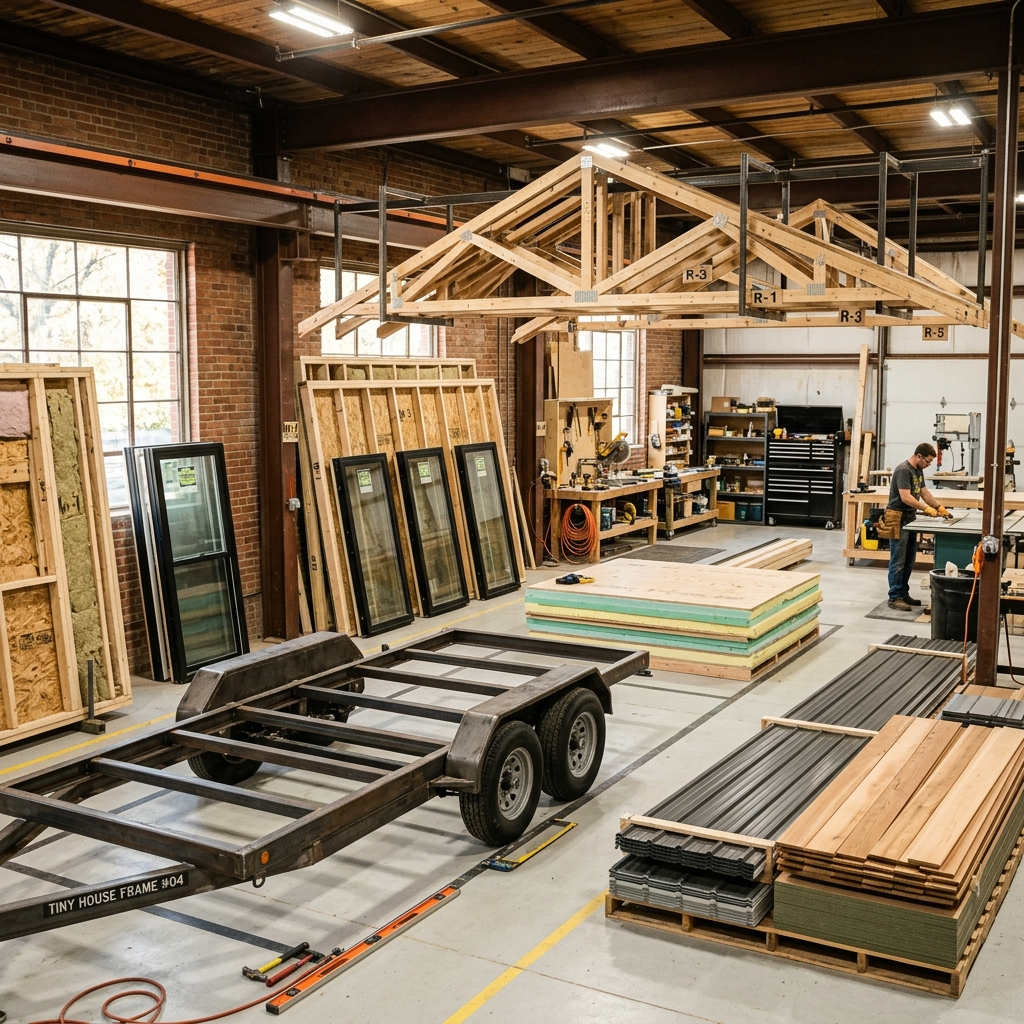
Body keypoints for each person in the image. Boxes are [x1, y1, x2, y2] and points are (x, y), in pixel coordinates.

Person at [886, 442, 953, 610]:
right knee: (898, 560)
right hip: (898, 517)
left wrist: (939, 507)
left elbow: (923, 492)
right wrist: (926, 508)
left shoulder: (917, 470)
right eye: (928, 461)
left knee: (909, 560)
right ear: (918, 456)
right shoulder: (903, 470)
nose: (929, 464)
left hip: (910, 518)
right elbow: (906, 497)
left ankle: (903, 593)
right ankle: (894, 597)